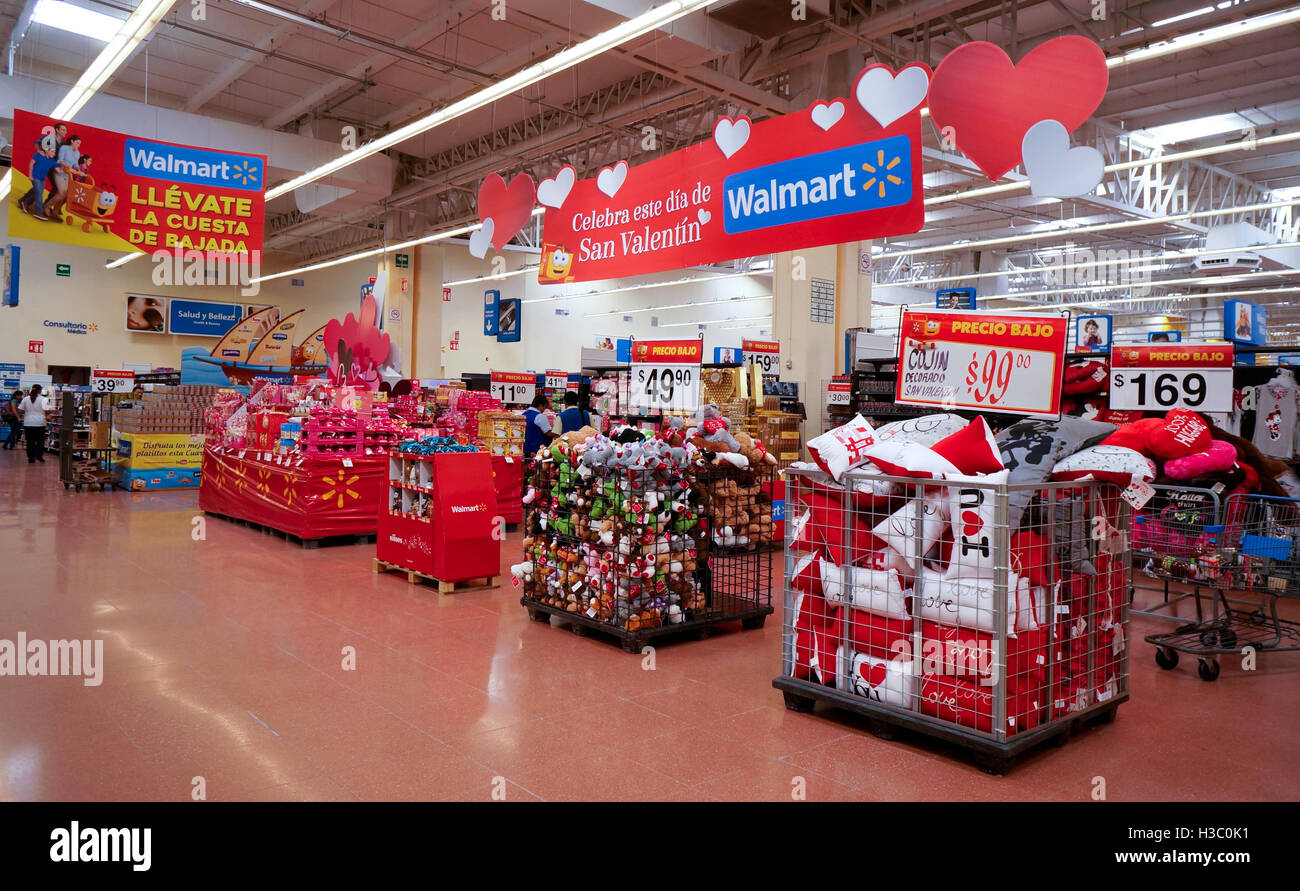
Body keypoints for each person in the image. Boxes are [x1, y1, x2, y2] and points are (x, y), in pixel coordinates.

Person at [17, 134, 59, 221]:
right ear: (46, 150)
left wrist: (68, 171)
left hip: (42, 179)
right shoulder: (39, 155)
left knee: (36, 190)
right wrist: (30, 175)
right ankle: (38, 212)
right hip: (35, 177)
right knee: (39, 193)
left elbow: (58, 170)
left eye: (54, 152)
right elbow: (31, 163)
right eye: (52, 152)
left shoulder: (52, 160)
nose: (54, 154)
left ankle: (23, 201)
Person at [44, 133, 83, 221]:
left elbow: (76, 164)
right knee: (62, 193)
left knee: (66, 195)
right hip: (60, 172)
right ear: (72, 141)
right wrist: (68, 168)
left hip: (68, 175)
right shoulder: (64, 148)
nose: (78, 145)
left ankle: (55, 212)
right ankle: (47, 206)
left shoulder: (77, 153)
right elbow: (59, 160)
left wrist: (78, 170)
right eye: (77, 143)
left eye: (79, 144)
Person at [18, 384, 50, 464]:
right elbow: (47, 412)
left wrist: (28, 411)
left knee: (30, 441)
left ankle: (31, 458)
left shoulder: (25, 399)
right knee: (40, 441)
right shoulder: (44, 399)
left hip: (28, 423)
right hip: (40, 423)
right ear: (40, 390)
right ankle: (39, 456)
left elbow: (20, 410)